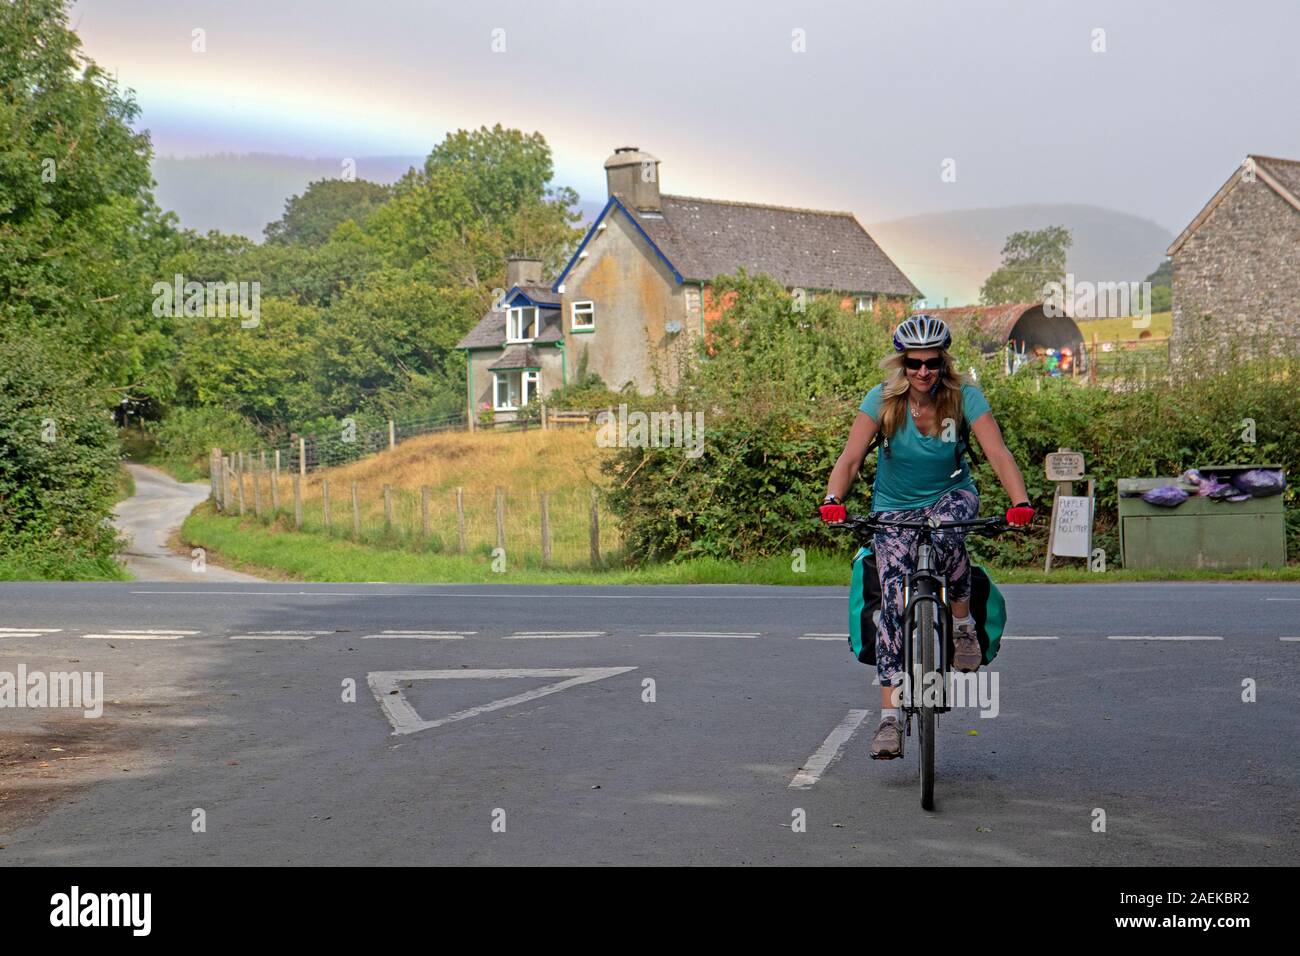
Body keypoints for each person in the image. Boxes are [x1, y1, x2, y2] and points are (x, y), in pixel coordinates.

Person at [819, 315, 1035, 759]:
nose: (923, 373)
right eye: (914, 364)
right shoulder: (881, 401)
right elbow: (851, 458)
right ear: (902, 363)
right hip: (893, 508)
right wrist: (833, 496)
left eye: (931, 364)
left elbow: (997, 453)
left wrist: (1020, 501)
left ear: (943, 362)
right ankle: (889, 719)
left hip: (950, 497)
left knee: (947, 535)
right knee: (894, 599)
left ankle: (961, 627)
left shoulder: (964, 399)